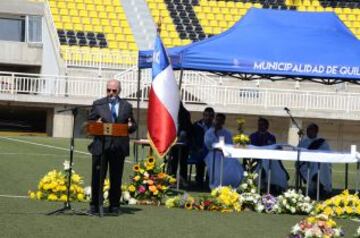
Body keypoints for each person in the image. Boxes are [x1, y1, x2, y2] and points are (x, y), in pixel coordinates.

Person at [87, 79, 137, 215]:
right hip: (100, 146)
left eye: (114, 90)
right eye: (108, 90)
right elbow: (90, 124)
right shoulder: (98, 104)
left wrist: (131, 126)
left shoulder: (126, 106)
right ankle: (95, 205)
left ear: (119, 90)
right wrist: (95, 124)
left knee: (116, 178)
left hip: (118, 147)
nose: (111, 93)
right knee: (97, 177)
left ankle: (114, 205)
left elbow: (132, 125)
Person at [204, 113, 243, 189]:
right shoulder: (209, 132)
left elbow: (229, 144)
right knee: (217, 163)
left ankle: (230, 182)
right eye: (217, 120)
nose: (218, 122)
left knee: (234, 162)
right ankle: (216, 183)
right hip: (213, 153)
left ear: (223, 122)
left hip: (226, 153)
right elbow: (209, 144)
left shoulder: (227, 132)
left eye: (221, 120)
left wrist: (226, 149)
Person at [249, 117, 288, 194]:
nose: (260, 126)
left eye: (262, 125)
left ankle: (274, 184)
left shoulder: (271, 137)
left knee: (275, 168)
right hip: (256, 159)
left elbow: (273, 148)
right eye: (259, 125)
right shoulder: (252, 136)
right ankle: (261, 185)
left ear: (267, 126)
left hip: (270, 159)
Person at [298, 123, 332, 197]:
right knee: (315, 167)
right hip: (305, 165)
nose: (308, 131)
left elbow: (327, 155)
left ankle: (322, 188)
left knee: (321, 165)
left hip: (321, 165)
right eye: (308, 130)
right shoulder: (303, 142)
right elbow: (299, 155)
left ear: (316, 131)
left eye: (311, 130)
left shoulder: (322, 142)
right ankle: (316, 188)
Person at [167, 102, 192, 188]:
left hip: (183, 142)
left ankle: (182, 180)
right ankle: (172, 179)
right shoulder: (170, 112)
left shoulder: (185, 113)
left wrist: (180, 136)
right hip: (173, 142)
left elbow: (186, 128)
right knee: (173, 161)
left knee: (182, 162)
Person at [190, 107, 215, 188]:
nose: (208, 118)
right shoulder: (196, 125)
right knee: (200, 159)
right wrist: (197, 148)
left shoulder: (215, 127)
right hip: (198, 150)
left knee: (213, 160)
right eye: (206, 115)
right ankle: (199, 181)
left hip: (210, 151)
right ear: (203, 115)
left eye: (211, 116)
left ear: (213, 117)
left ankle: (209, 181)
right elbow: (192, 139)